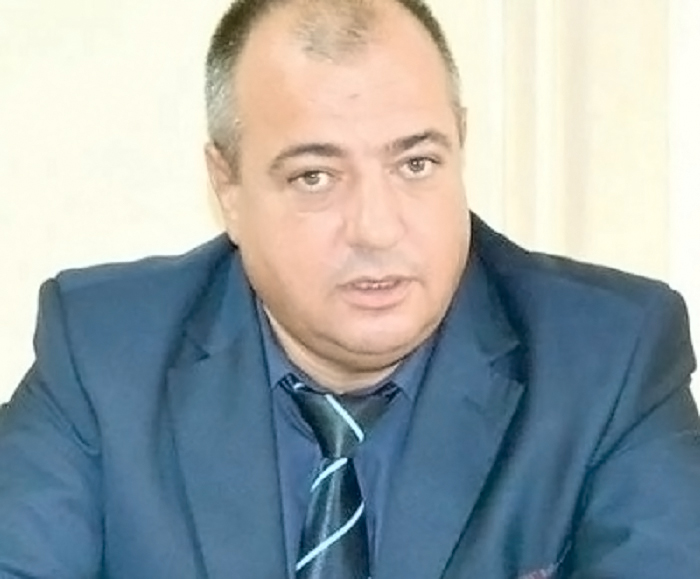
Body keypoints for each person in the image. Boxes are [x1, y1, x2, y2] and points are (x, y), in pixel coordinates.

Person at [0, 0, 698, 577]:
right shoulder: (102, 357)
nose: (377, 227)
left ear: (460, 144)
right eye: (315, 176)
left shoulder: (611, 363)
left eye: (416, 163)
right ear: (228, 187)